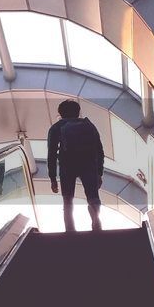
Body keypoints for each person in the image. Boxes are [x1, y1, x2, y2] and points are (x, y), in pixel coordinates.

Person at [48, 99, 105, 232]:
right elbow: (99, 150)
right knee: (93, 196)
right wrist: (99, 172)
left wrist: (52, 178)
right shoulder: (88, 125)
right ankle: (96, 223)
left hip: (67, 166)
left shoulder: (57, 127)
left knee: (67, 200)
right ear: (78, 112)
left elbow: (51, 153)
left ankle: (70, 230)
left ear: (60, 114)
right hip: (88, 165)